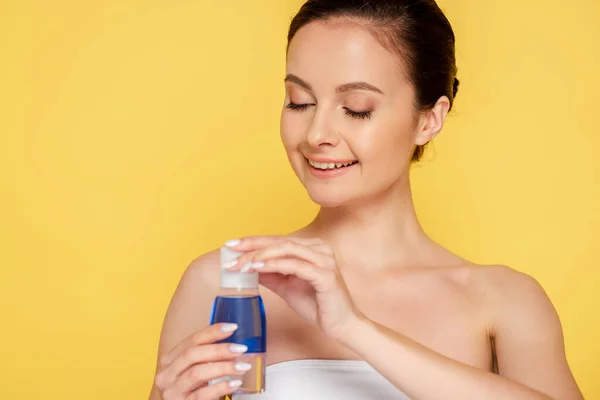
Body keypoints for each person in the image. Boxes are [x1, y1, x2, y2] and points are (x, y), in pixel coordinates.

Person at [149, 1, 583, 399]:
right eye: (299, 102)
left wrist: (353, 328)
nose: (316, 134)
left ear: (429, 120)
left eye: (356, 108)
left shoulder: (503, 303)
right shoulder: (224, 283)